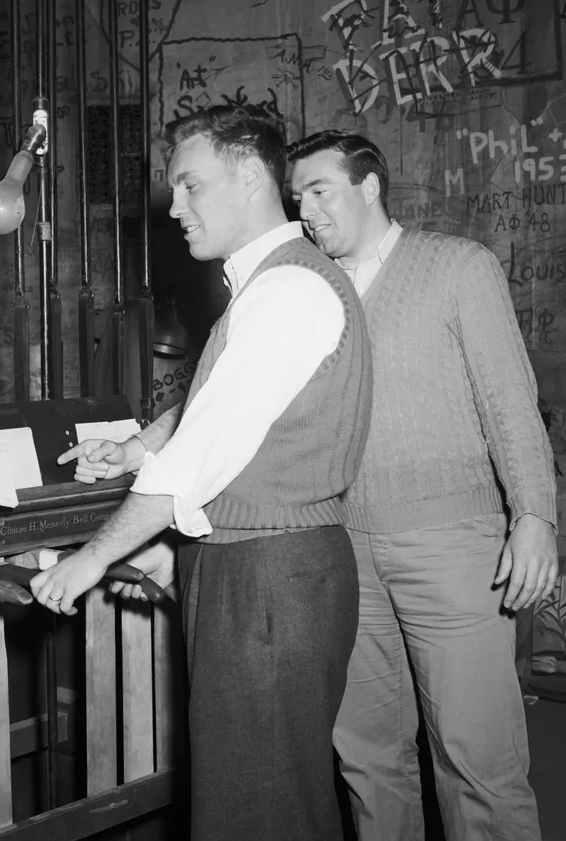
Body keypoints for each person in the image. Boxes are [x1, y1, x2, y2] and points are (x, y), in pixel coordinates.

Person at [28, 104, 373, 839]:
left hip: (269, 580)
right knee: (265, 800)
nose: (175, 206)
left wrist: (93, 555)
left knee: (261, 810)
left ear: (250, 175)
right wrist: (135, 451)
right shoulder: (267, 285)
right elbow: (211, 409)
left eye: (190, 185)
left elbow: (205, 449)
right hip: (263, 571)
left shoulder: (286, 291)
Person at [287, 129, 559, 841]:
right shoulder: (312, 291)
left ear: (369, 185)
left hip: (452, 544)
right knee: (369, 760)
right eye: (298, 199)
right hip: (343, 548)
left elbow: (509, 398)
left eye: (320, 191)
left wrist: (535, 513)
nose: (307, 211)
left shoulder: (456, 266)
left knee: (478, 762)